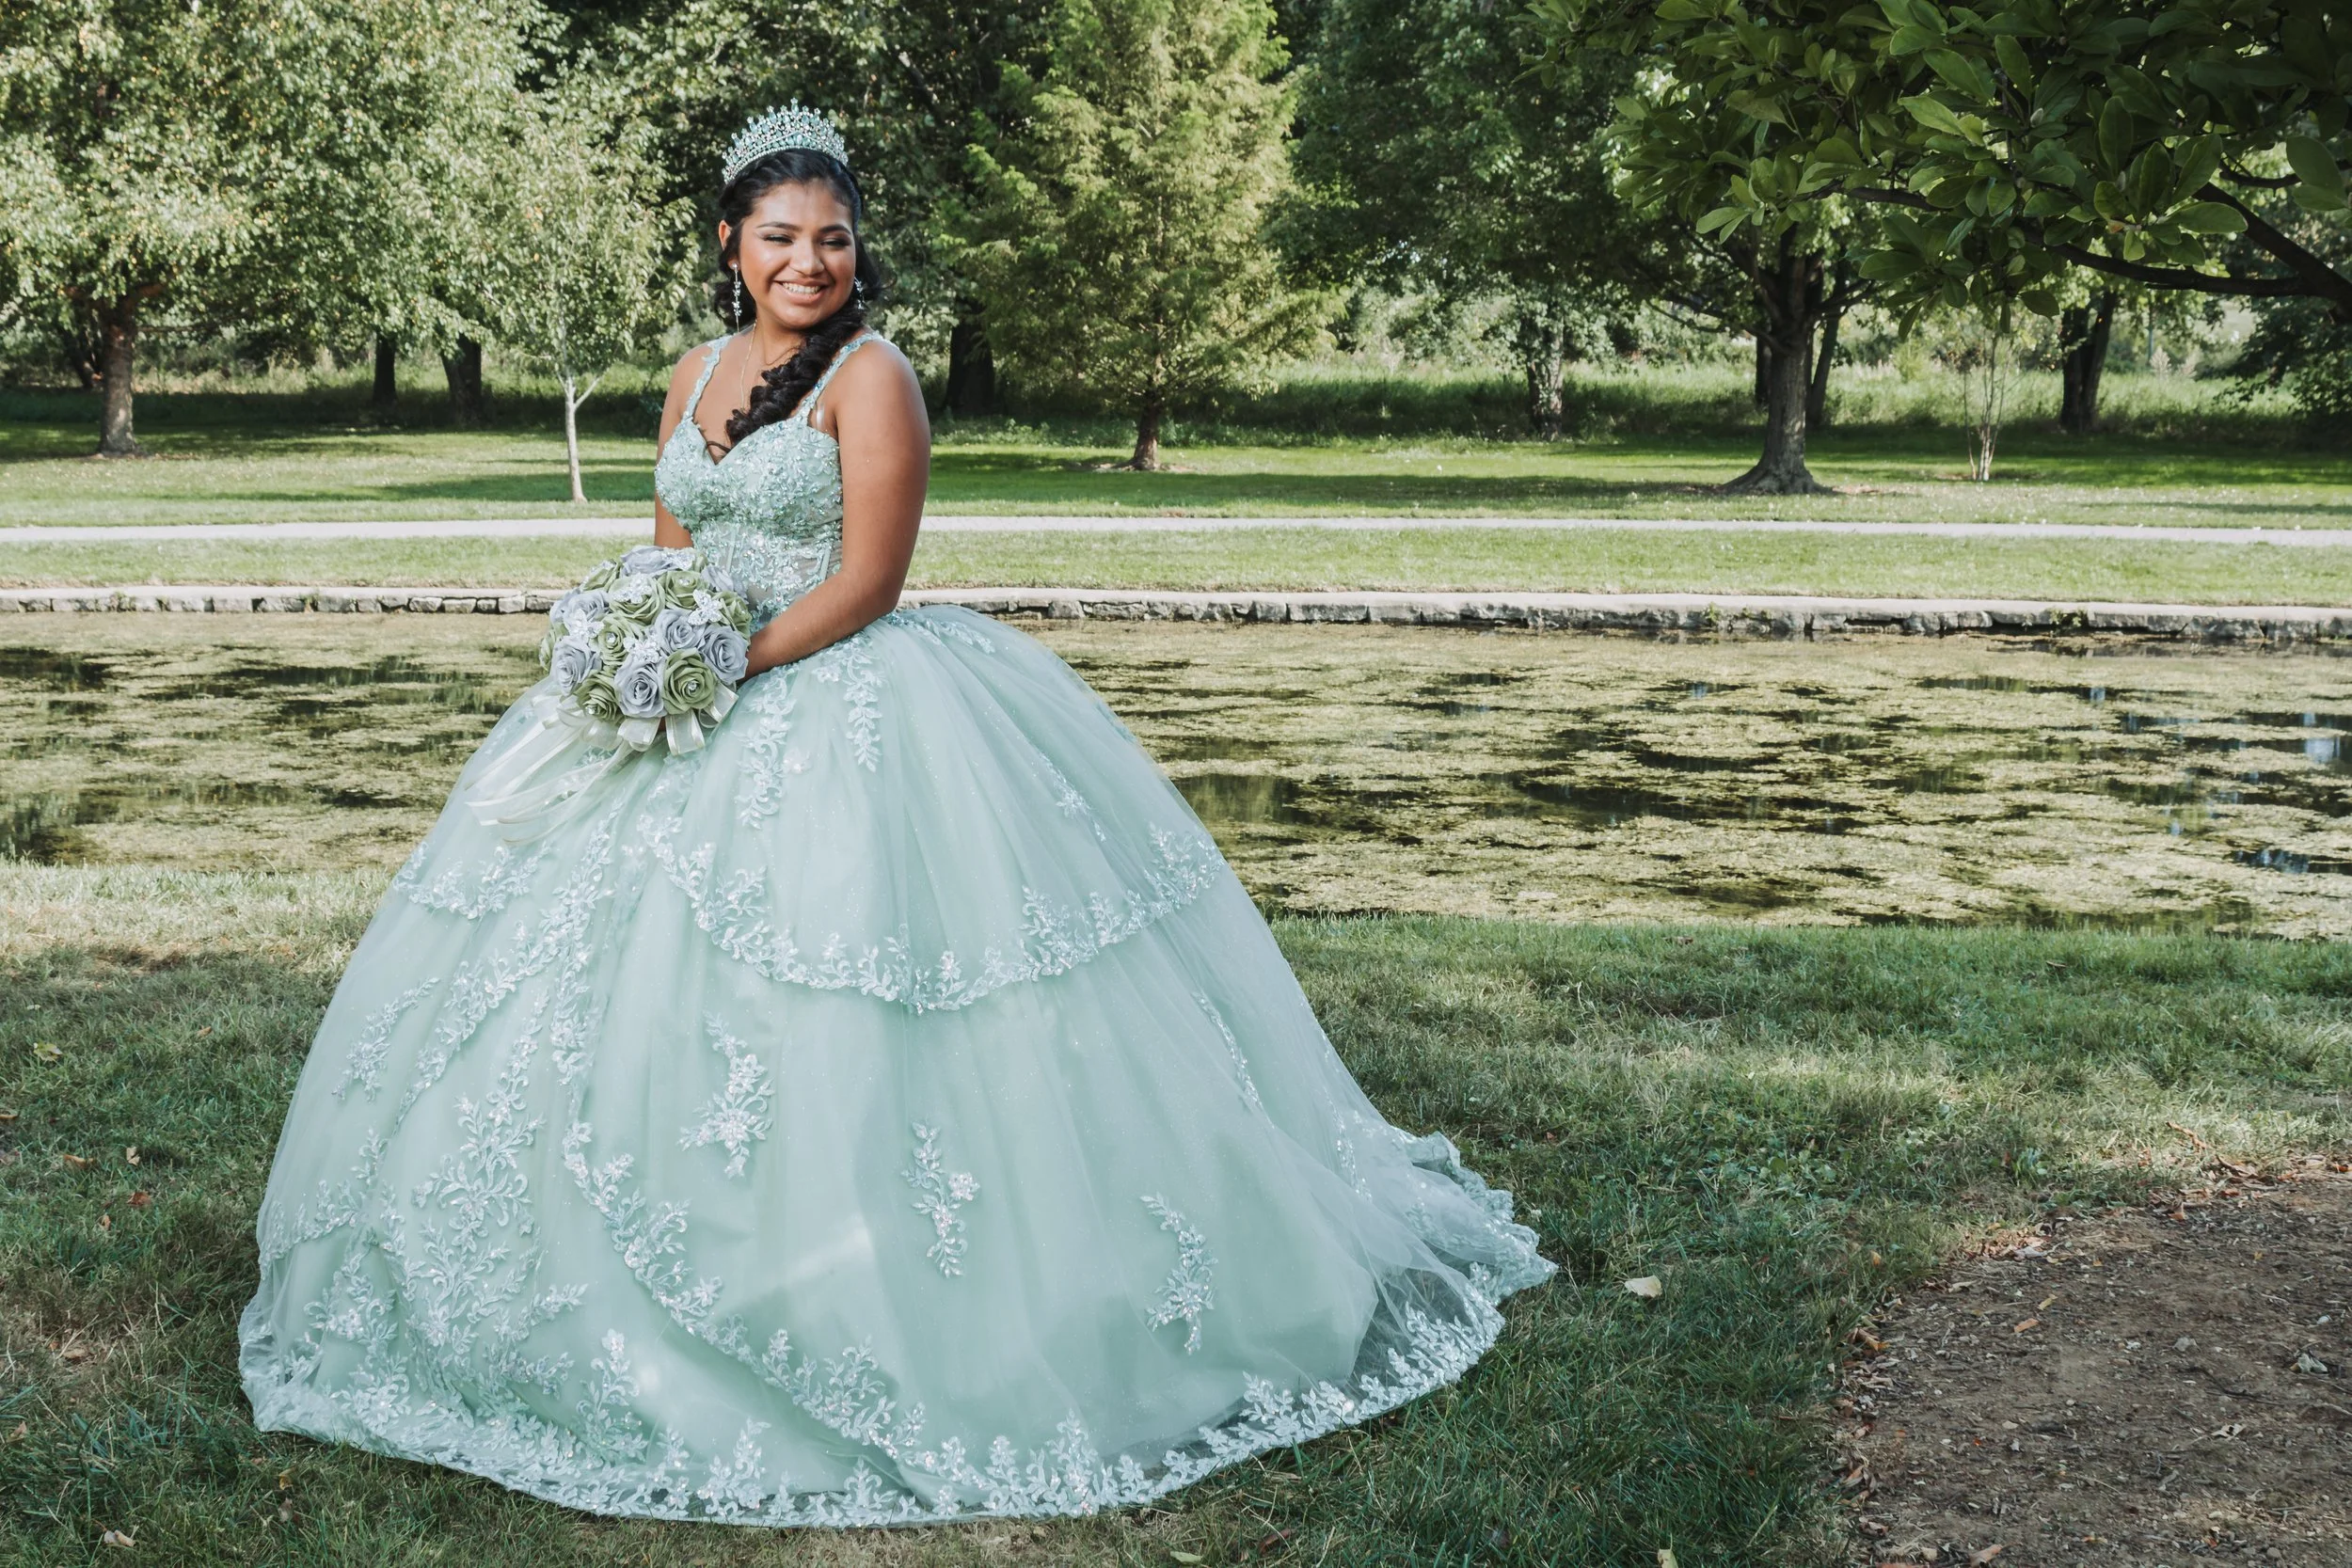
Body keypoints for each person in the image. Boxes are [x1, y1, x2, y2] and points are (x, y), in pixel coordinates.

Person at [239, 103, 1552, 1527]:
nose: (810, 261)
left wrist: (724, 659)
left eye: (835, 239)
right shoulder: (690, 374)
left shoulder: (875, 381)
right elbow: (668, 548)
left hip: (836, 698)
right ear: (733, 244)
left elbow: (868, 578)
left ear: (859, 254)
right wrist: (646, 640)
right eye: (783, 237)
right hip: (686, 696)